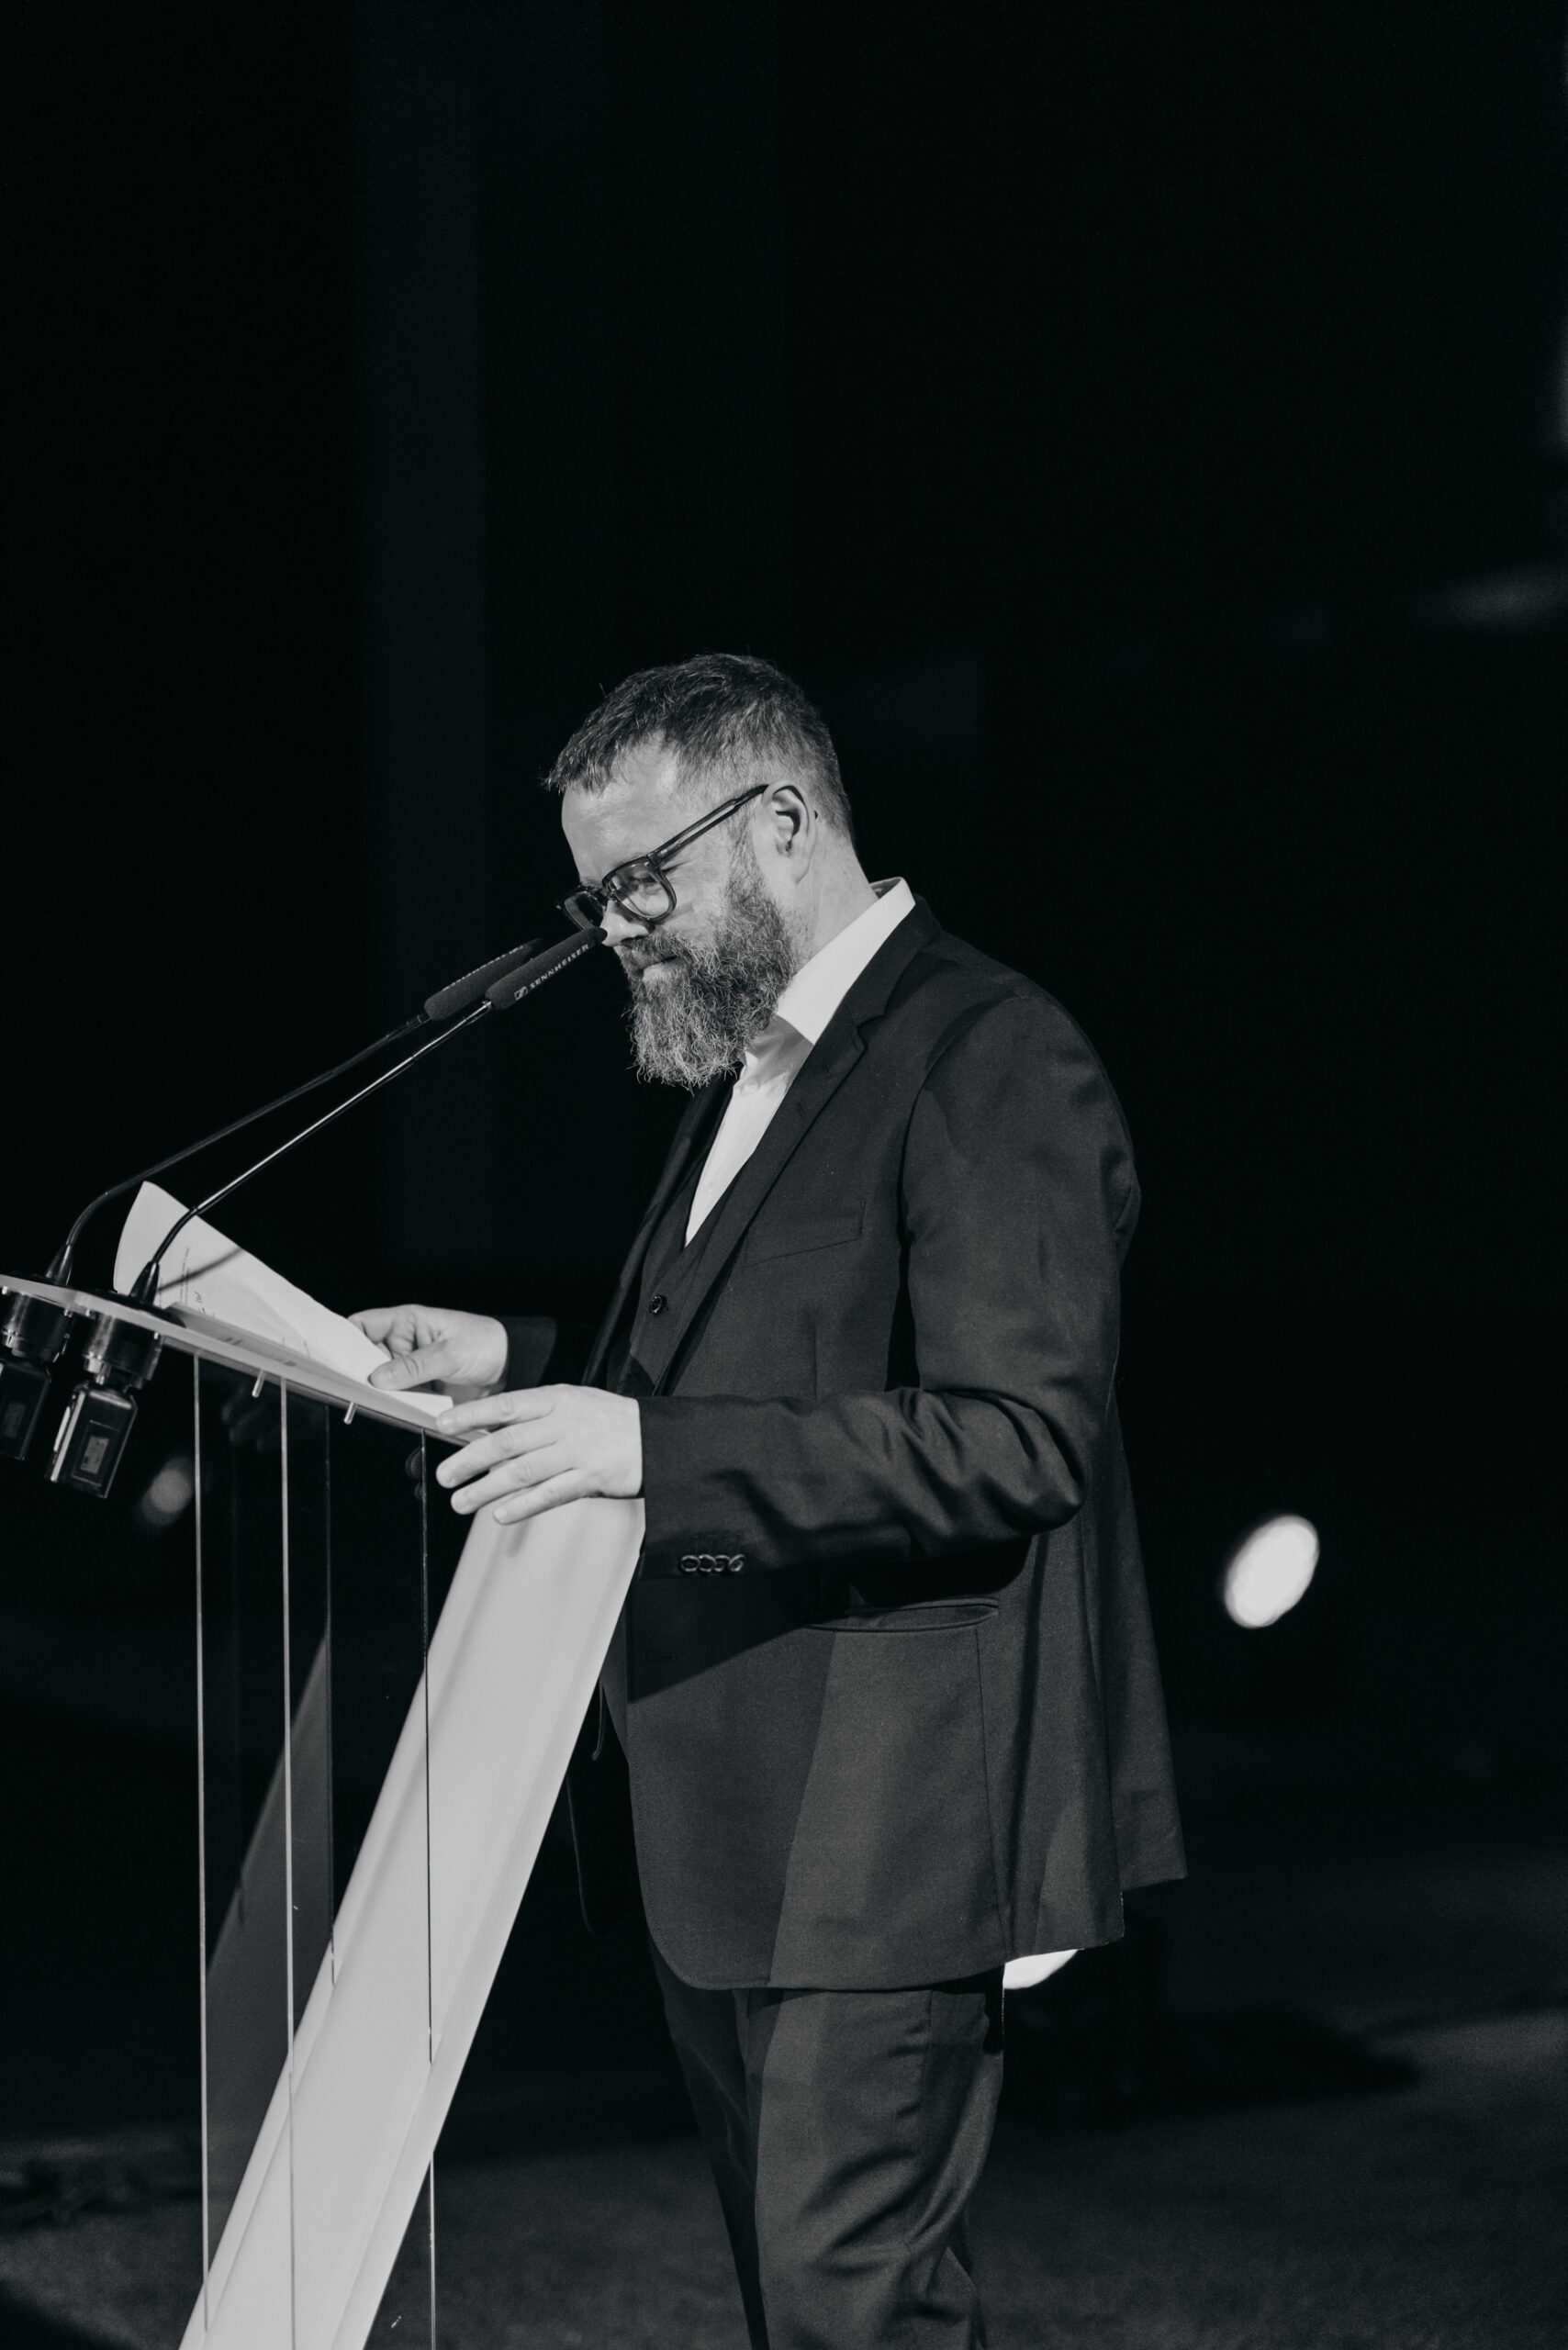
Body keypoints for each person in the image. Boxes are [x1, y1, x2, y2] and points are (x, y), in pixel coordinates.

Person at [353, 653, 1183, 2350]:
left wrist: (644, 1457)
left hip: (892, 1826)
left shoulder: (990, 1053)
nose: (618, 928)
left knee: (846, 2311)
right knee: (798, 2313)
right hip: (733, 1813)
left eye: (643, 880)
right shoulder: (757, 1064)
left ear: (785, 822)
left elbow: (1017, 1439)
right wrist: (515, 1364)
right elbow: (752, 1371)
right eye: (594, 897)